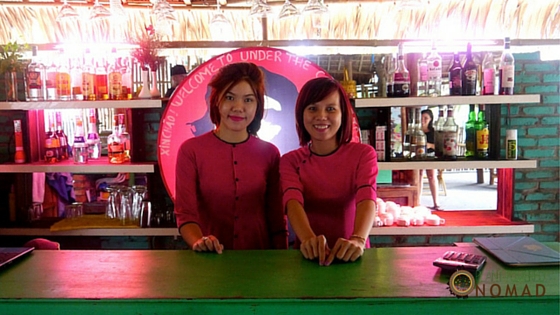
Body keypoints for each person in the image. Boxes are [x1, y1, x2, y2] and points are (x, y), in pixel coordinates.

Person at [174, 62, 288, 253]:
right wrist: (199, 242)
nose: (238, 107)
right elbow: (186, 215)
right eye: (230, 97)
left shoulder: (270, 153)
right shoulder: (191, 151)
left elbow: (277, 219)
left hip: (260, 262)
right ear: (217, 101)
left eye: (248, 100)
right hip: (209, 263)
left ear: (258, 106)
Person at [280, 77, 378, 266]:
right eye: (312, 108)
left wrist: (357, 239)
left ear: (343, 114)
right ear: (301, 114)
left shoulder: (363, 154)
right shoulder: (290, 161)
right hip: (309, 258)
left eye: (330, 109)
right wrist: (309, 240)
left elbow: (367, 198)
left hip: (353, 255)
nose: (321, 116)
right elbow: (292, 203)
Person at [420, 109, 441, 210]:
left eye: (426, 118)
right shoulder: (416, 131)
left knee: (432, 176)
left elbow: (437, 146)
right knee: (418, 176)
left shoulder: (433, 132)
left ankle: (436, 202)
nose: (423, 120)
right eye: (422, 118)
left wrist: (428, 145)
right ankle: (417, 201)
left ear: (430, 119)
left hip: (430, 155)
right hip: (418, 156)